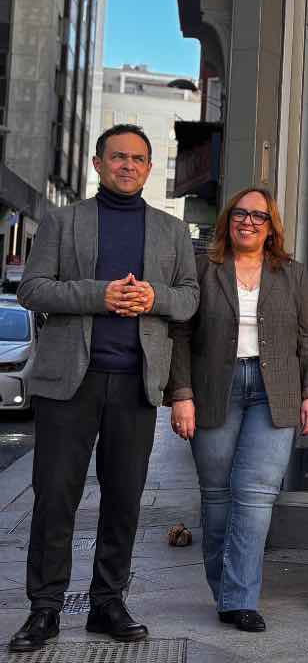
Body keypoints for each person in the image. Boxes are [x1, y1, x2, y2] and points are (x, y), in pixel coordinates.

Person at [9, 125, 199, 652]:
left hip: (136, 383)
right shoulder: (61, 220)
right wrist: (102, 295)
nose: (128, 166)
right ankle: (44, 609)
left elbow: (188, 300)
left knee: (123, 501)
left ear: (147, 167)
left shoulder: (171, 231)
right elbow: (31, 288)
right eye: (118, 157)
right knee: (54, 499)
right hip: (69, 382)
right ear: (98, 163)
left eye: (139, 159)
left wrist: (153, 297)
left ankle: (107, 602)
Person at [167, 188, 308, 632]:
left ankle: (240, 597)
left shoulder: (292, 274)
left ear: (271, 225)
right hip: (214, 388)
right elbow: (179, 335)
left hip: (275, 392)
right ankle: (226, 591)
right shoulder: (203, 269)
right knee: (217, 499)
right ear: (228, 221)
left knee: (255, 497)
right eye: (241, 213)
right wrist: (181, 394)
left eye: (259, 216)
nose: (249, 221)